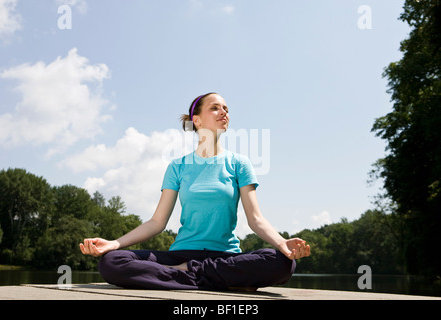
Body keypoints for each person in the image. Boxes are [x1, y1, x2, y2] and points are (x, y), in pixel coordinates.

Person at [80, 92, 310, 291]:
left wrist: (281, 243)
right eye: (215, 108)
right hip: (182, 253)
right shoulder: (177, 166)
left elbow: (255, 219)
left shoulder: (240, 163)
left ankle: (185, 274)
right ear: (196, 120)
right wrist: (115, 243)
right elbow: (156, 222)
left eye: (226, 109)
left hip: (225, 256)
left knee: (282, 262)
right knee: (112, 261)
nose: (224, 112)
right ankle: (216, 278)